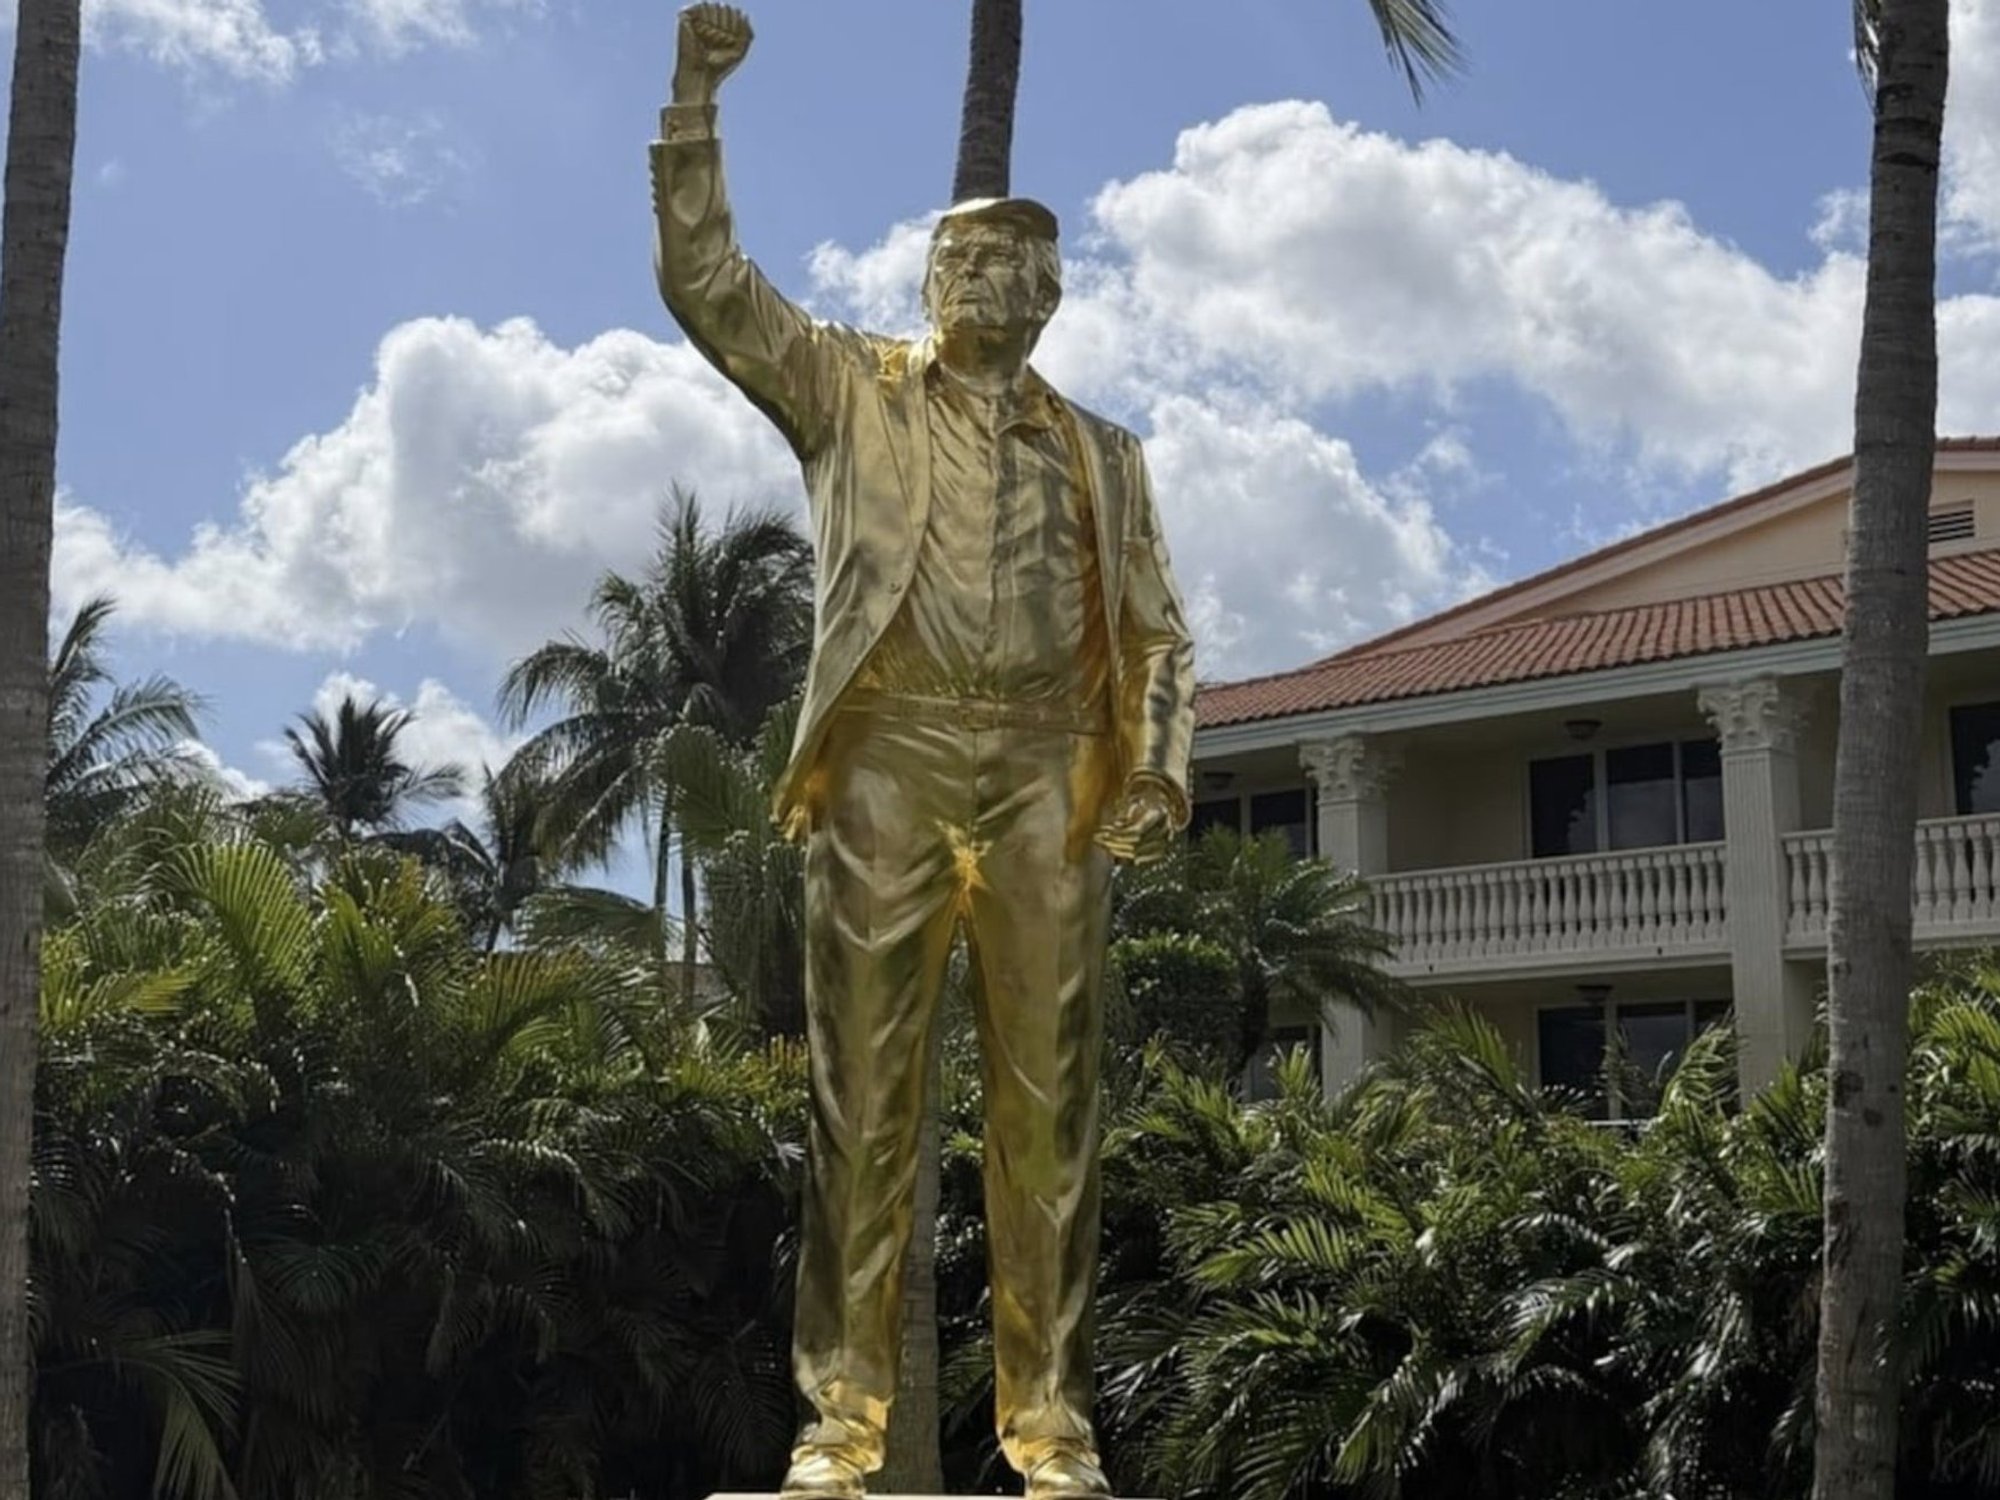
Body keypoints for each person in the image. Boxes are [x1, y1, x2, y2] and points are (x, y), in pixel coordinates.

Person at [649, 8, 1197, 1497]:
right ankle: (841, 1428)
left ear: (1056, 293)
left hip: (1045, 775)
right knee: (863, 1103)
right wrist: (695, 106)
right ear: (930, 280)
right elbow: (708, 284)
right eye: (970, 262)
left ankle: (1054, 1432)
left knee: (1050, 1122)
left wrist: (1150, 767)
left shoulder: (1106, 453)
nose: (996, 284)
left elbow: (1155, 632)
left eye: (1024, 266)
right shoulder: (850, 392)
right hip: (890, 755)